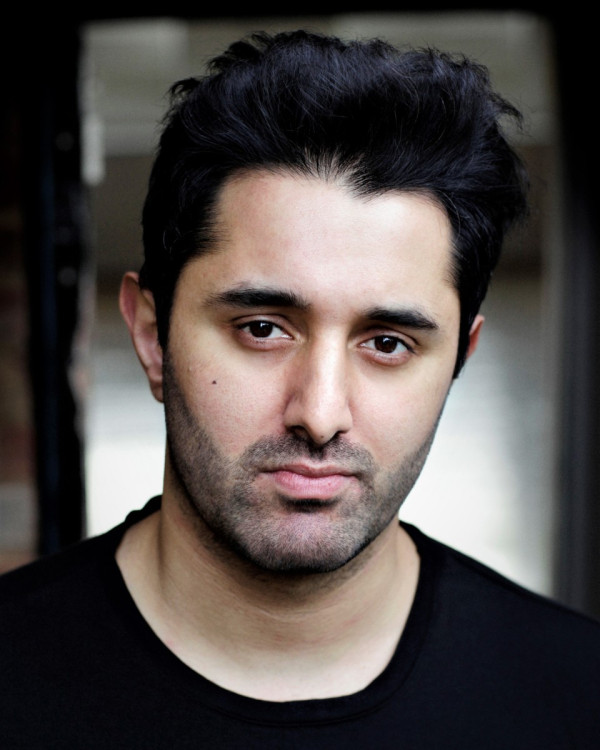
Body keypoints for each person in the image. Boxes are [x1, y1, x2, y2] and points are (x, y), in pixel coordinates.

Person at [1, 29, 599, 748]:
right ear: (152, 337)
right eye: (262, 328)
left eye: (387, 343)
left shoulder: (576, 697)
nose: (319, 414)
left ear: (457, 361)